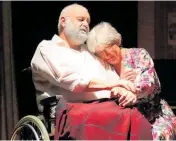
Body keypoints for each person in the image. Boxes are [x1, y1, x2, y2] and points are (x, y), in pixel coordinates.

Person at [30, 3, 152, 140]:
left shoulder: (90, 53)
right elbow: (71, 81)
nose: (86, 24)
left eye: (88, 21)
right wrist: (113, 85)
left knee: (135, 116)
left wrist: (124, 89)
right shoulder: (47, 48)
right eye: (81, 19)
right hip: (69, 110)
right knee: (103, 117)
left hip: (104, 105)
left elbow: (111, 77)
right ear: (63, 21)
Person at [86, 21, 176, 140]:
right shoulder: (103, 67)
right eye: (102, 52)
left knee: (157, 136)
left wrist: (132, 92)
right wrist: (120, 83)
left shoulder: (139, 55)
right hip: (122, 117)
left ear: (116, 41)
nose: (108, 54)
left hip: (154, 114)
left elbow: (150, 84)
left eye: (109, 47)